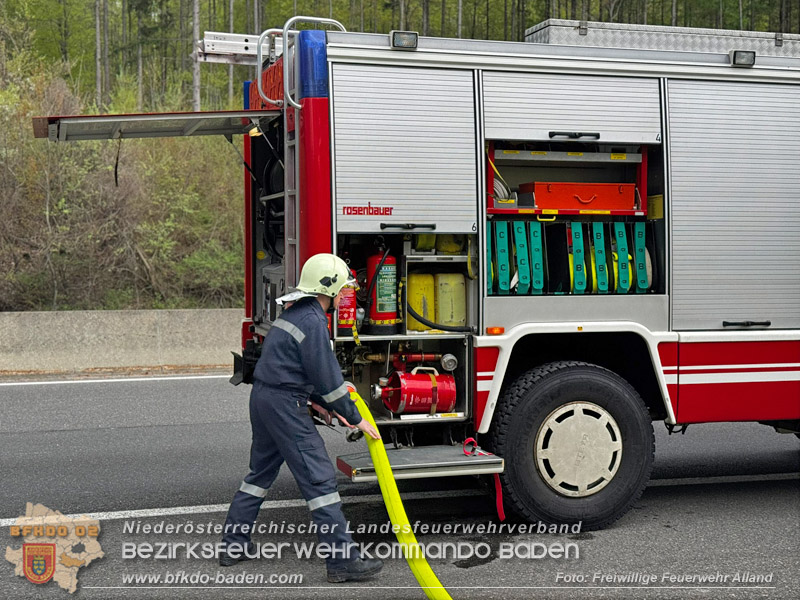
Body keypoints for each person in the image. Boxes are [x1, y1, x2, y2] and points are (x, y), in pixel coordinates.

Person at [219, 253, 383, 583]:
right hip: (284, 405)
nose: (344, 296)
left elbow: (295, 369)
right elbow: (327, 378)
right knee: (320, 480)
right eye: (343, 290)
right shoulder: (313, 323)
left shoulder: (293, 314)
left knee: (259, 474)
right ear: (332, 288)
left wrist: (317, 401)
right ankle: (342, 562)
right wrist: (355, 417)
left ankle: (232, 546)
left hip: (265, 398)